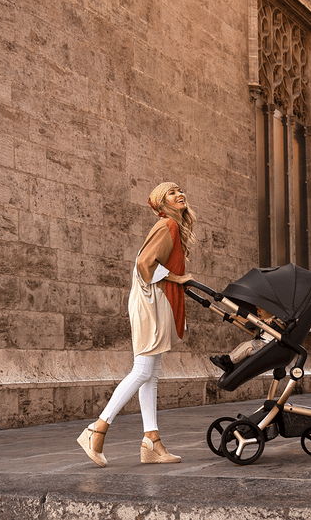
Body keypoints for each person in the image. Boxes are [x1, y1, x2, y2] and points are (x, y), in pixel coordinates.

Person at [77, 182, 196, 466]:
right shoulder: (168, 225)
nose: (179, 194)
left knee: (150, 372)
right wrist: (177, 278)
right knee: (143, 369)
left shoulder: (172, 227)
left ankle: (152, 441)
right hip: (150, 300)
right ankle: (97, 428)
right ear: (162, 203)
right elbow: (145, 263)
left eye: (180, 190)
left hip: (153, 299)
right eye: (171, 192)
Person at [210, 307, 285, 372]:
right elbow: (250, 321)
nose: (258, 311)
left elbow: (283, 328)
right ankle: (229, 364)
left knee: (249, 346)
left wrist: (274, 320)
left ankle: (227, 360)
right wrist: (237, 317)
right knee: (243, 345)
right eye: (257, 309)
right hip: (261, 344)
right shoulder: (263, 321)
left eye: (260, 309)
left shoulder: (278, 320)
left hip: (270, 347)